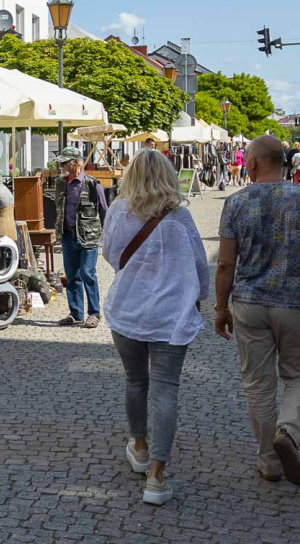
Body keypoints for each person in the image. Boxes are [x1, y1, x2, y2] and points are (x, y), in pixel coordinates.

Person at [102, 149, 208, 505]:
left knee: (135, 381)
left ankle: (141, 447)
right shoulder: (181, 218)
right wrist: (201, 298)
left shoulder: (119, 211)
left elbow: (110, 254)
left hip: (129, 310)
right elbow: (199, 265)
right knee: (166, 391)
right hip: (171, 315)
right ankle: (156, 478)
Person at [215, 135, 300, 485]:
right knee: (296, 376)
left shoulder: (236, 203)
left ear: (250, 164)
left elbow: (224, 265)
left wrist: (221, 307)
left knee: (257, 384)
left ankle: (268, 462)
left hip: (250, 303)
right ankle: (290, 430)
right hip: (295, 303)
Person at [54, 146, 108, 328]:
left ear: (76, 163)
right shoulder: (61, 183)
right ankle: (76, 314)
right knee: (71, 276)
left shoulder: (93, 184)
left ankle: (94, 314)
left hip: (88, 236)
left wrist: (106, 235)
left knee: (87, 274)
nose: (62, 165)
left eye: (65, 162)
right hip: (68, 235)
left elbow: (104, 210)